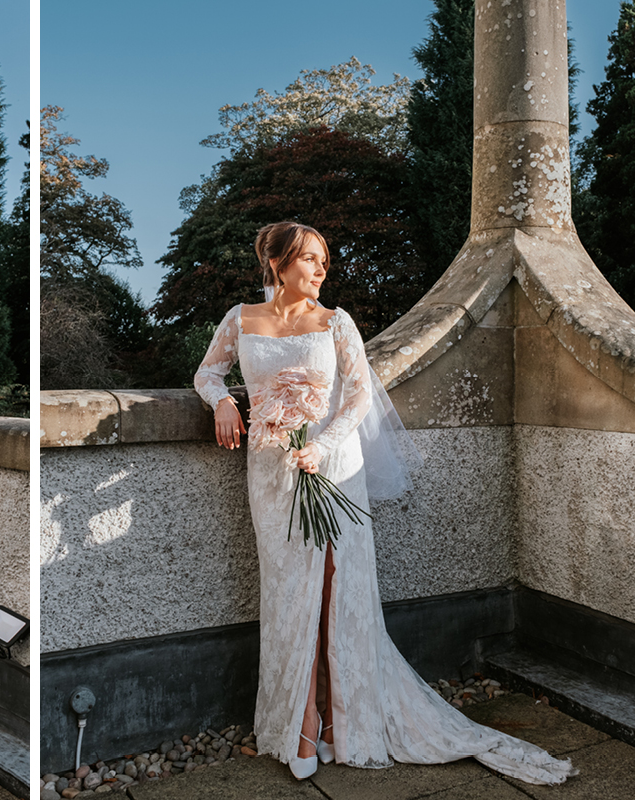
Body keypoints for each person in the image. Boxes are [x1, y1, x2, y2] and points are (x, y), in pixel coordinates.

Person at [193, 221, 575, 785]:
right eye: (311, 260)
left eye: (325, 260)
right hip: (272, 473)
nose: (322, 270)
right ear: (278, 265)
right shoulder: (240, 320)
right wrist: (223, 400)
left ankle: (330, 724)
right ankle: (302, 721)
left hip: (333, 468)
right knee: (290, 595)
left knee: (332, 589)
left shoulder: (336, 323)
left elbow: (359, 395)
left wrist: (320, 446)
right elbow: (206, 372)